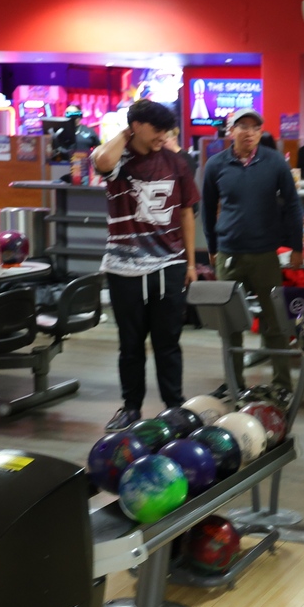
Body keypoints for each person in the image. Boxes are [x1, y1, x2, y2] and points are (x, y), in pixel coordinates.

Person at [91, 99, 199, 432]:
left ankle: (175, 407)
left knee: (168, 343)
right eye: (157, 129)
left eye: (167, 130)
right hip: (124, 270)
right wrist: (126, 133)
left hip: (169, 266)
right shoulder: (118, 161)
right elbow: (101, 160)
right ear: (136, 126)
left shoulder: (176, 161)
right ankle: (131, 408)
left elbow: (186, 213)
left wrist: (191, 263)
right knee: (130, 345)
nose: (163, 136)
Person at [202, 108, 304, 396]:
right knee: (230, 323)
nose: (249, 132)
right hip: (229, 253)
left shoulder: (275, 162)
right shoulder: (215, 165)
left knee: (275, 322)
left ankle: (282, 385)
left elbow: (293, 205)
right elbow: (207, 210)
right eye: (243, 126)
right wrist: (212, 247)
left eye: (255, 127)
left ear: (261, 132)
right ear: (231, 131)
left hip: (265, 254)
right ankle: (234, 383)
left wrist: (297, 246)